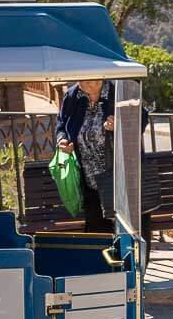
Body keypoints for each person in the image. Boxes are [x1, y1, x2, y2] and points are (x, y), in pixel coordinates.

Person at [56, 78, 148, 233]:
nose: (82, 82)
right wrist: (62, 139)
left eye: (87, 79)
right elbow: (61, 124)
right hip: (90, 181)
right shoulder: (73, 95)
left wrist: (120, 124)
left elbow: (141, 120)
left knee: (131, 230)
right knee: (97, 233)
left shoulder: (120, 92)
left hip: (122, 179)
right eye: (80, 79)